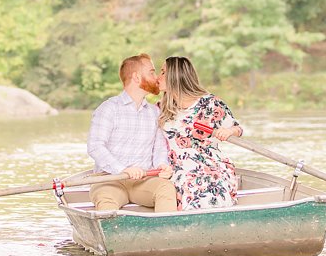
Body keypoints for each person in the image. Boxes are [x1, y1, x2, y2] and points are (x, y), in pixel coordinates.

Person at [87, 53, 175, 213]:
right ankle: (113, 235)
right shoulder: (109, 109)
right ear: (136, 77)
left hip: (142, 181)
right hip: (109, 180)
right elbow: (95, 147)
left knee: (166, 188)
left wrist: (162, 165)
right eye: (151, 72)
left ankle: (166, 234)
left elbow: (159, 149)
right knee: (106, 201)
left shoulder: (154, 113)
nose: (157, 78)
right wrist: (122, 169)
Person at [156, 56, 244, 210]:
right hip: (175, 166)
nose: (158, 77)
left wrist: (228, 131)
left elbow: (238, 129)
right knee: (184, 179)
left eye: (163, 72)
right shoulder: (160, 108)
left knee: (207, 183)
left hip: (208, 163)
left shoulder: (210, 103)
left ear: (175, 77)